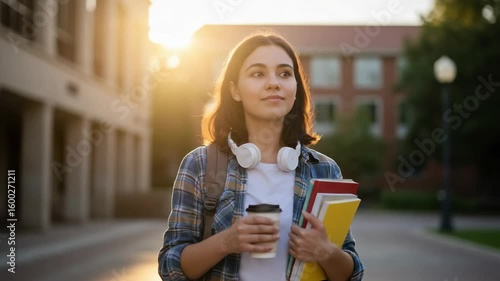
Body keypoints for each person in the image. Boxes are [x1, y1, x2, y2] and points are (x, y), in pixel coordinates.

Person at [158, 30, 364, 281]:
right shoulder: (200, 164)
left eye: (285, 74)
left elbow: (352, 274)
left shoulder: (324, 169)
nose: (274, 82)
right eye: (258, 73)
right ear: (235, 90)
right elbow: (170, 267)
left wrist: (326, 253)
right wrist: (226, 241)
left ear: (296, 89)